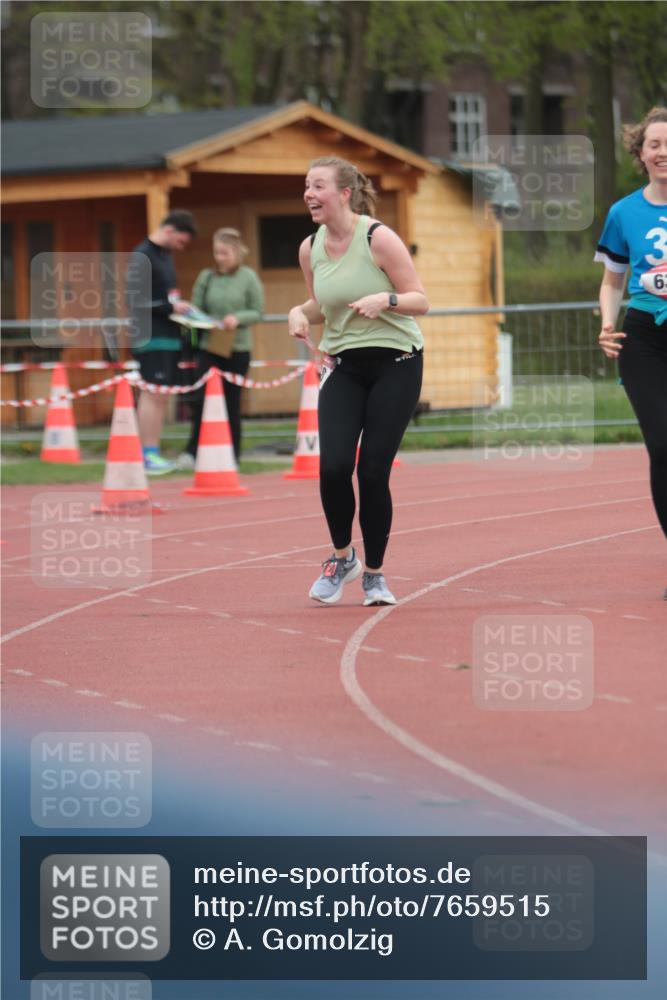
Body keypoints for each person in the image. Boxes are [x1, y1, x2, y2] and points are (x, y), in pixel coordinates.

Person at [288, 156, 429, 606]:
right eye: (306, 186)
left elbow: (419, 300)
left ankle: (374, 575)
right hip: (344, 366)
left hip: (397, 362)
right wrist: (297, 312)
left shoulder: (377, 238)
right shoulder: (309, 248)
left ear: (345, 193)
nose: (310, 194)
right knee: (332, 468)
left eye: (319, 186)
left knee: (372, 471)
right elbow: (321, 303)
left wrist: (385, 299)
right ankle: (342, 557)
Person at [595, 106, 667, 597]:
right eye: (655, 144)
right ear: (640, 153)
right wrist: (606, 323)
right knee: (662, 446)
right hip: (643, 337)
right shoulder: (624, 213)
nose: (664, 152)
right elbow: (610, 281)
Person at [176, 228, 264, 468]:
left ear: (236, 252)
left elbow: (258, 311)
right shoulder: (207, 277)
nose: (220, 258)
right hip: (209, 346)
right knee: (203, 400)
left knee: (232, 402)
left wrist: (238, 317)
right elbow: (196, 307)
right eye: (217, 252)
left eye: (224, 253)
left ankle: (232, 454)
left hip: (237, 348)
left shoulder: (248, 277)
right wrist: (192, 313)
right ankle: (193, 452)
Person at [128, 209, 198, 474]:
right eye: (181, 241)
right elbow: (135, 299)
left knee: (161, 397)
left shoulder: (165, 257)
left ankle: (152, 451)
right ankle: (146, 454)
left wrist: (177, 307)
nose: (181, 247)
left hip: (169, 336)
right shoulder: (142, 256)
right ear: (169, 230)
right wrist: (170, 307)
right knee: (152, 393)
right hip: (150, 336)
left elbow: (167, 297)